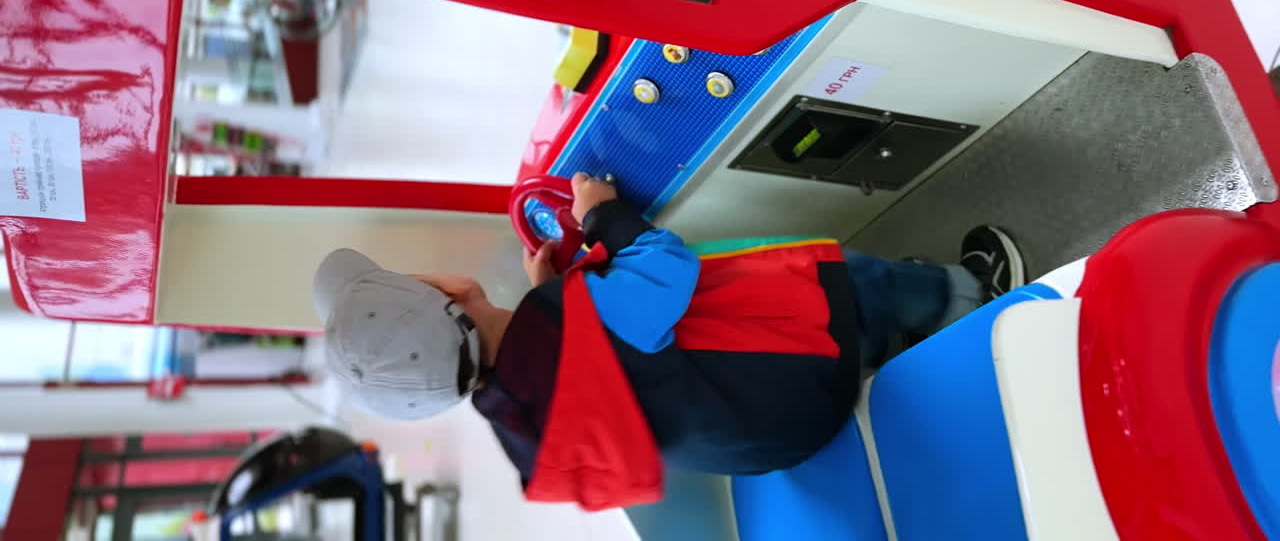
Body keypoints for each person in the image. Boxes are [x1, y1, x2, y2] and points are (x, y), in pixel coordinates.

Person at [313, 173, 1024, 509]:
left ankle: (903, 352)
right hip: (805, 373)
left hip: (773, 446)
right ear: (450, 290)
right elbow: (663, 270)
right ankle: (972, 296)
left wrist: (557, 293)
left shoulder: (521, 420)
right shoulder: (564, 318)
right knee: (858, 284)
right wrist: (602, 219)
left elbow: (601, 364)